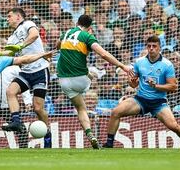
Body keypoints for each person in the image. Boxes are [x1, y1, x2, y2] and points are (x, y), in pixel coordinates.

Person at [103, 35, 180, 148]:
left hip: (159, 102)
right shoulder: (139, 62)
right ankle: (109, 143)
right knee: (116, 111)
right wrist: (132, 82)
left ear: (159, 47)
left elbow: (173, 87)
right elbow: (134, 84)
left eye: (154, 46)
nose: (151, 48)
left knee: (173, 126)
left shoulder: (167, 65)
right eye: (149, 46)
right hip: (141, 100)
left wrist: (156, 86)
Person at [56, 14, 133, 148]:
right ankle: (92, 79)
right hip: (81, 80)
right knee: (93, 75)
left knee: (81, 108)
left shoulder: (66, 33)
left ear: (76, 23)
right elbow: (103, 54)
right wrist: (122, 66)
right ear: (89, 27)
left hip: (63, 81)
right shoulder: (87, 36)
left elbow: (58, 45)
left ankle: (90, 133)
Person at [0, 8, 52, 147]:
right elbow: (8, 54)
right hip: (25, 72)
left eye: (9, 16)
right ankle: (16, 120)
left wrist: (20, 46)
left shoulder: (27, 24)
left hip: (40, 71)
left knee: (38, 109)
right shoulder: (11, 38)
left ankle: (47, 134)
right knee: (11, 92)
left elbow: (34, 35)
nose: (7, 19)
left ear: (18, 16)